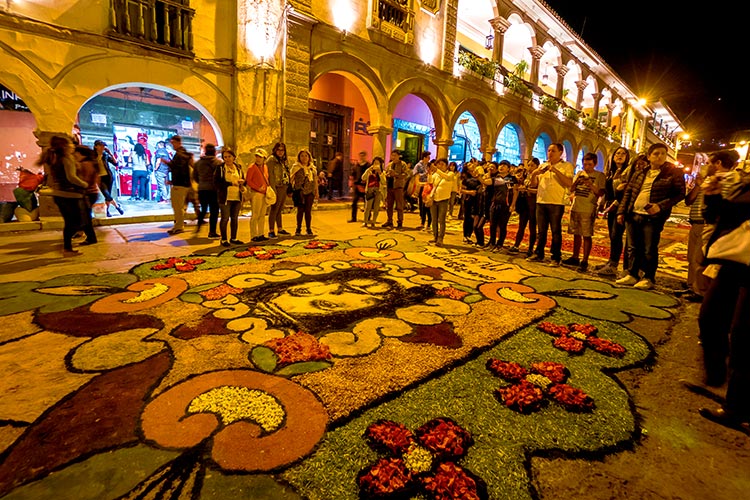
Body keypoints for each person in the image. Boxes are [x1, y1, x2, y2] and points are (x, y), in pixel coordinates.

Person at [695, 154, 749, 434]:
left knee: (744, 333)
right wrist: (713, 196)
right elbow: (719, 217)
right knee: (710, 316)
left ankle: (738, 408)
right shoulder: (745, 183)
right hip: (735, 258)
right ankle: (718, 375)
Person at [616, 143, 686, 290]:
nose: (659, 156)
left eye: (662, 153)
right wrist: (621, 211)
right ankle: (632, 274)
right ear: (649, 157)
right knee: (632, 247)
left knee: (649, 248)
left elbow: (679, 194)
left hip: (652, 217)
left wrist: (660, 206)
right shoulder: (641, 172)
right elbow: (629, 192)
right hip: (634, 213)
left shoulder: (673, 173)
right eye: (656, 153)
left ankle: (648, 277)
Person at [37, 136, 89, 256]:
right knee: (79, 222)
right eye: (70, 143)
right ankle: (67, 247)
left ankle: (67, 248)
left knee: (70, 222)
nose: (72, 146)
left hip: (59, 194)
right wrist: (84, 184)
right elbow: (71, 177)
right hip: (70, 194)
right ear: (65, 146)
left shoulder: (55, 158)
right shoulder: (66, 158)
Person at [527, 143, 574, 266]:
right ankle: (539, 253)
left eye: (553, 150)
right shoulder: (543, 165)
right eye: (548, 150)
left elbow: (569, 182)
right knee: (541, 231)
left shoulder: (566, 166)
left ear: (560, 152)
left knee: (555, 231)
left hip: (556, 203)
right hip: (541, 201)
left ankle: (556, 257)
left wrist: (555, 170)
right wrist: (534, 174)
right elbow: (533, 185)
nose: (550, 153)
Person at [562, 152, 605, 272]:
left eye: (590, 164)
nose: (587, 167)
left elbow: (600, 193)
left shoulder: (600, 175)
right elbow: (571, 189)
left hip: (588, 208)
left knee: (586, 234)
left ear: (595, 164)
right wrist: (576, 182)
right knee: (576, 233)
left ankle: (585, 260)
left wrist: (590, 184)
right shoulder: (580, 173)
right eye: (585, 164)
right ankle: (575, 257)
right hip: (576, 206)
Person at [596, 147, 631, 277]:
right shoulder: (611, 172)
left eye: (623, 154)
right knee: (612, 235)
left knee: (617, 235)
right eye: (617, 153)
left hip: (621, 207)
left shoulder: (627, 172)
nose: (620, 155)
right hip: (611, 206)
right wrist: (603, 203)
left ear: (627, 157)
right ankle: (611, 262)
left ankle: (614, 265)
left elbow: (625, 191)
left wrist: (615, 204)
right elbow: (608, 190)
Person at [160, 135, 194, 235]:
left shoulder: (180, 154)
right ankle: (178, 225)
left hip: (180, 184)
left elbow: (178, 168)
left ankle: (179, 226)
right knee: (180, 206)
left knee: (177, 206)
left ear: (178, 142)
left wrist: (167, 162)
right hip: (183, 184)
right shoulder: (182, 154)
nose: (172, 145)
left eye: (173, 143)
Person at [508, 158, 539, 255]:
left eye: (532, 165)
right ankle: (516, 245)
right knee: (521, 225)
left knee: (532, 227)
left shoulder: (539, 176)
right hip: (524, 203)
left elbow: (539, 191)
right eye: (528, 165)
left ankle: (530, 248)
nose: (529, 167)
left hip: (533, 204)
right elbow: (517, 187)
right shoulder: (525, 175)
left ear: (537, 166)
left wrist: (527, 190)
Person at [215, 149, 245, 247]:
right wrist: (230, 183)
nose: (227, 159)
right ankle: (223, 239)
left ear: (234, 157)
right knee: (225, 218)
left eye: (229, 156)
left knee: (235, 218)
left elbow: (243, 179)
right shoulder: (220, 168)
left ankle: (234, 238)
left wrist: (242, 184)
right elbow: (217, 182)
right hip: (225, 197)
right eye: (225, 157)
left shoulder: (238, 167)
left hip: (237, 197)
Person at [72, 145, 100, 246]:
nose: (74, 155)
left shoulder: (85, 164)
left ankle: (91, 238)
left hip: (87, 193)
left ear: (81, 154)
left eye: (76, 153)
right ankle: (83, 234)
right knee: (84, 216)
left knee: (85, 217)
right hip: (91, 192)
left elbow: (85, 180)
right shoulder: (91, 163)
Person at [193, 143, 221, 238]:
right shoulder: (218, 162)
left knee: (203, 209)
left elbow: (195, 176)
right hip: (214, 190)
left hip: (202, 189)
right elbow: (220, 176)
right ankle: (212, 232)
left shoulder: (198, 163)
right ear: (214, 152)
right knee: (214, 211)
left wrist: (201, 182)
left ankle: (199, 225)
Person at [487, 161, 515, 251]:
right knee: (492, 225)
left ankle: (500, 244)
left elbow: (515, 192)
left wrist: (513, 204)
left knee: (502, 225)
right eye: (500, 165)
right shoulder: (495, 178)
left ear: (508, 168)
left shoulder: (511, 179)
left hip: (506, 205)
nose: (501, 167)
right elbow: (485, 182)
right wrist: (480, 175)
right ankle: (492, 243)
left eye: (504, 166)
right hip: (495, 203)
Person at [290, 149, 317, 236]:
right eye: (302, 156)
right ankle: (298, 228)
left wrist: (316, 191)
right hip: (300, 192)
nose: (304, 158)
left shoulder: (312, 168)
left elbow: (315, 180)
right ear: (299, 157)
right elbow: (291, 179)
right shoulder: (296, 167)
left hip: (310, 192)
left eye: (306, 156)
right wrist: (290, 190)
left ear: (309, 157)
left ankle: (308, 228)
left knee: (308, 211)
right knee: (300, 211)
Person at [93, 140, 124, 217]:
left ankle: (107, 211)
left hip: (108, 177)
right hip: (99, 178)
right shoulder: (92, 155)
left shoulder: (105, 155)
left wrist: (110, 153)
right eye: (100, 145)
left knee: (108, 194)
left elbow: (115, 163)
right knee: (107, 195)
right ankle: (117, 206)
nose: (102, 147)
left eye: (103, 146)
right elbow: (94, 164)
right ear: (96, 146)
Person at [266, 142, 290, 238]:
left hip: (284, 185)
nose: (280, 152)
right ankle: (271, 230)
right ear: (275, 150)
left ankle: (280, 228)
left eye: (282, 150)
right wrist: (273, 188)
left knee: (280, 208)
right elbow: (270, 175)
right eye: (278, 150)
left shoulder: (283, 160)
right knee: (274, 209)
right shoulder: (271, 160)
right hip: (277, 186)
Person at [429, 157, 455, 247]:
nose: (440, 166)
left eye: (442, 164)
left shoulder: (450, 174)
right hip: (434, 199)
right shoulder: (436, 174)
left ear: (446, 165)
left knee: (441, 220)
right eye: (438, 164)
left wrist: (437, 170)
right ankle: (435, 237)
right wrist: (429, 173)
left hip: (444, 200)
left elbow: (447, 177)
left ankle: (441, 238)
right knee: (434, 219)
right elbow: (430, 182)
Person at [246, 148, 271, 242]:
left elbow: (266, 177)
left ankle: (261, 233)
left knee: (262, 215)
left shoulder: (265, 167)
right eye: (257, 156)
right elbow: (248, 181)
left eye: (260, 157)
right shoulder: (252, 167)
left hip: (264, 193)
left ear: (264, 158)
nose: (258, 158)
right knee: (255, 215)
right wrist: (257, 187)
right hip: (256, 193)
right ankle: (253, 235)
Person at [382, 149, 409, 229]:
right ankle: (389, 220)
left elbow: (406, 175)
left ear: (398, 156)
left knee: (399, 206)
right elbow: (386, 173)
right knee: (389, 205)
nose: (393, 157)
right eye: (392, 155)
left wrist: (396, 174)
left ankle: (400, 222)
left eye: (395, 155)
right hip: (390, 187)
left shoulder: (403, 164)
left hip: (398, 187)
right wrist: (387, 175)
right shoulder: (390, 164)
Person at [362, 156, 386, 228]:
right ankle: (365, 222)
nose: (376, 165)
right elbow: (363, 178)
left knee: (376, 207)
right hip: (370, 189)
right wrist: (368, 170)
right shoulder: (369, 171)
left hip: (378, 190)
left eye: (378, 163)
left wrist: (380, 173)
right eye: (375, 163)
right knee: (367, 207)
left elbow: (384, 182)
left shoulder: (382, 172)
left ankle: (373, 222)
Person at [413, 151, 432, 230]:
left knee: (428, 205)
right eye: (428, 157)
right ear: (424, 157)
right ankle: (422, 221)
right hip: (421, 186)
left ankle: (428, 223)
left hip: (428, 186)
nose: (429, 159)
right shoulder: (418, 165)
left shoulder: (428, 165)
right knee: (422, 205)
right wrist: (425, 174)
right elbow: (415, 174)